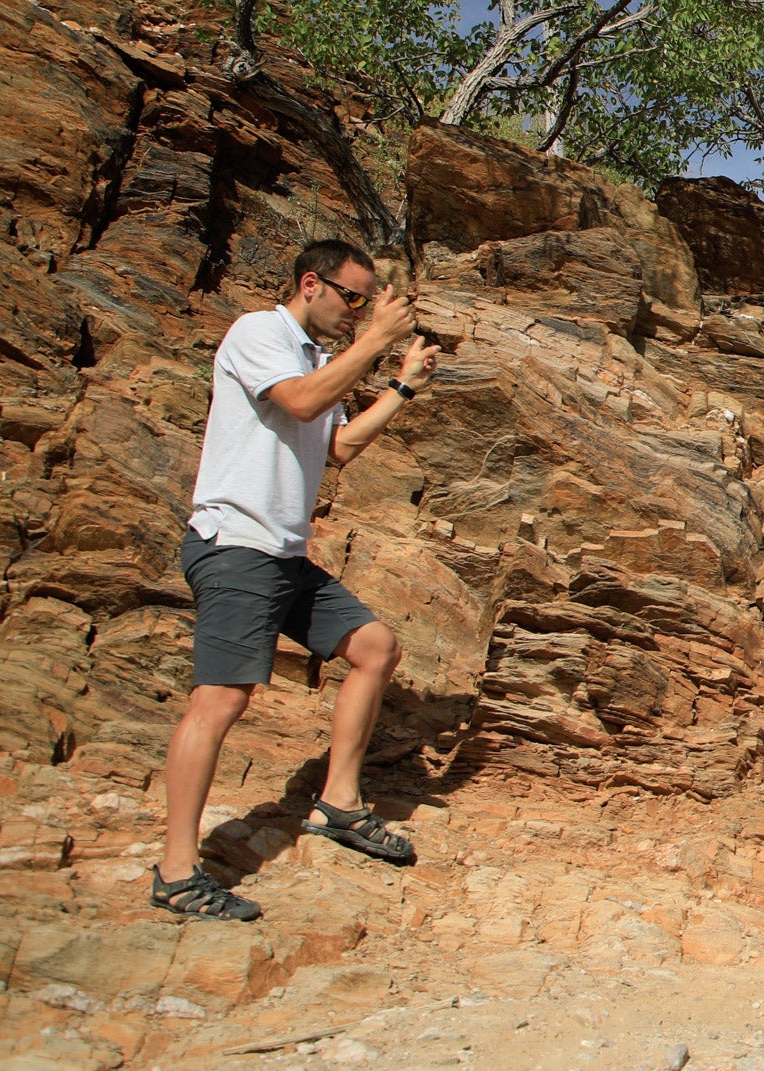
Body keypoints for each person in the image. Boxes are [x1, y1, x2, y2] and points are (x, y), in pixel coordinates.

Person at [150, 238, 441, 920]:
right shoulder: (260, 333)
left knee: (375, 646)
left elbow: (337, 446)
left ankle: (338, 801)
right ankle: (175, 871)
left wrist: (401, 385)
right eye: (352, 296)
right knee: (220, 701)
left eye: (365, 301)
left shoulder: (314, 357)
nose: (356, 309)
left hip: (282, 555)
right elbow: (304, 404)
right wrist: (373, 340)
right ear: (311, 283)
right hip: (237, 547)